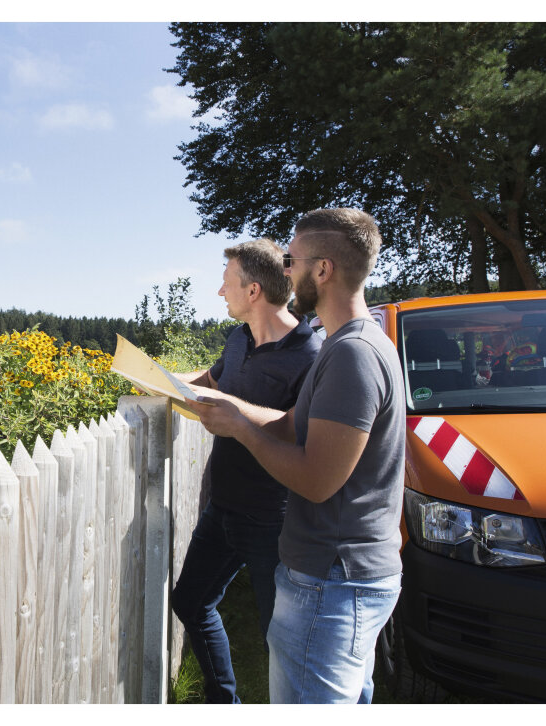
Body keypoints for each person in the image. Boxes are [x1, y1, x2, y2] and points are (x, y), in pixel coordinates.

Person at [185, 208, 405, 704]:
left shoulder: (351, 354)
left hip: (333, 580)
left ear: (322, 270)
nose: (285, 271)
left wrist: (240, 428)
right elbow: (291, 424)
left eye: (292, 259)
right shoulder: (350, 342)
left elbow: (316, 479)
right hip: (345, 577)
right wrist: (233, 407)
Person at [169, 238, 320, 703]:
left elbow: (299, 431)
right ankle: (223, 702)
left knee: (280, 637)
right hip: (223, 505)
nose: (220, 292)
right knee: (190, 601)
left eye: (227, 282)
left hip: (271, 517)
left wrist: (234, 413)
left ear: (253, 291)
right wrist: (157, 380)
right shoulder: (238, 340)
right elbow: (212, 382)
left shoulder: (310, 355)